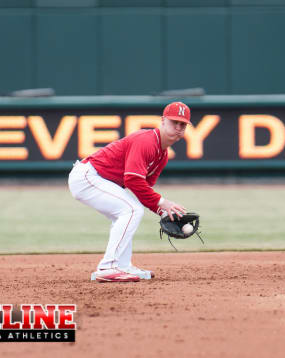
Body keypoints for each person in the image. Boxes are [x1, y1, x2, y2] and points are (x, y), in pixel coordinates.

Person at [68, 101, 192, 282]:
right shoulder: (147, 141)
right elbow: (132, 180)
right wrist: (162, 202)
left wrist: (163, 211)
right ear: (163, 121)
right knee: (131, 210)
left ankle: (122, 266)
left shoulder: (162, 155)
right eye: (174, 122)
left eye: (183, 124)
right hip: (87, 176)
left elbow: (143, 188)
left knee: (127, 211)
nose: (179, 128)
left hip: (100, 180)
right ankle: (107, 267)